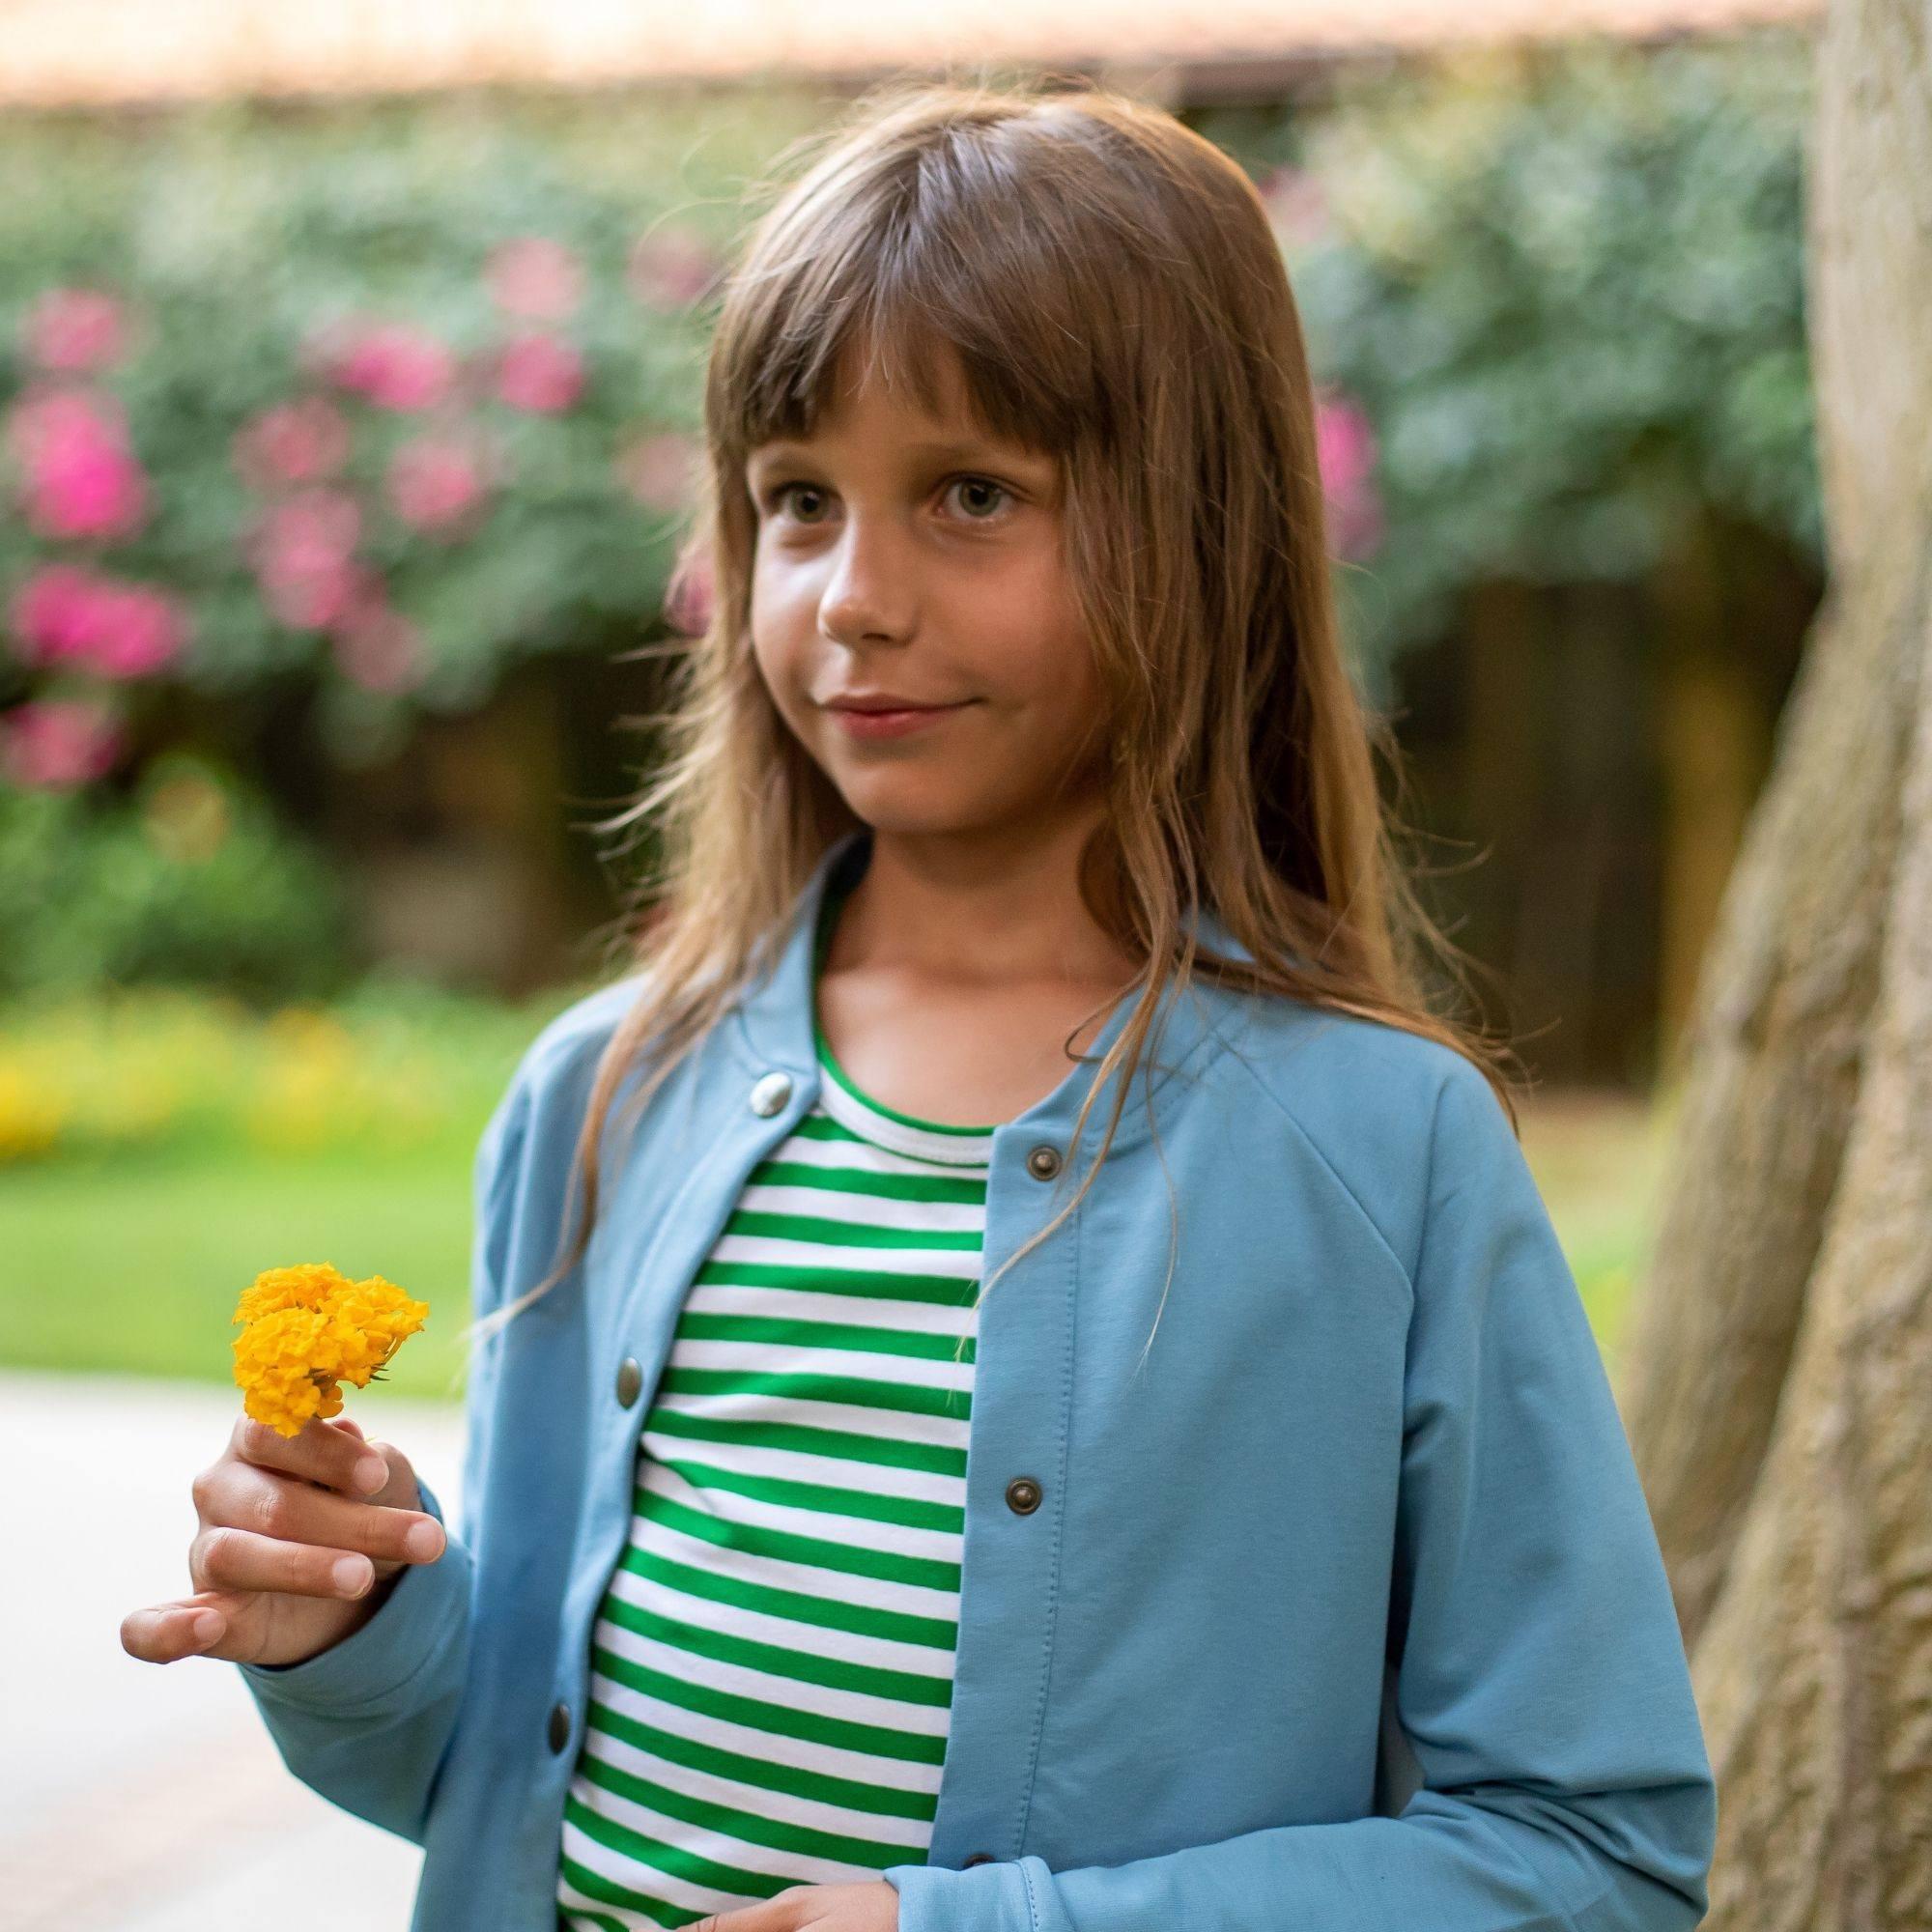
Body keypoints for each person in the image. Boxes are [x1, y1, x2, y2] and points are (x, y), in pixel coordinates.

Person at [121, 78, 1718, 1932]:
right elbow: (513, 1785)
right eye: (799, 501)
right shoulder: (599, 1098)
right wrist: (367, 1630)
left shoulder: (1383, 1155)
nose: (852, 598)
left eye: (973, 495)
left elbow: (1591, 1856)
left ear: (1199, 537)